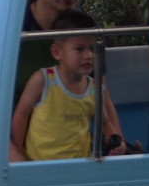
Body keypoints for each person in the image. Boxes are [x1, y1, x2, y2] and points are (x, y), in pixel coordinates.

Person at [11, 10, 128, 160]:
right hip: (38, 163)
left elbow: (105, 122)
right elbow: (22, 115)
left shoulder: (94, 88)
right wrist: (19, 153)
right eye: (79, 49)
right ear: (57, 52)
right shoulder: (43, 80)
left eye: (93, 49)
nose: (88, 56)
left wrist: (117, 142)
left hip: (79, 165)